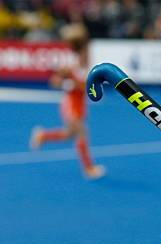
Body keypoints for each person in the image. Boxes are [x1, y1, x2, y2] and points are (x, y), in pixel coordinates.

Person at [29, 24, 105, 179]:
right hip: (71, 101)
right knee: (82, 132)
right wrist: (69, 79)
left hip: (78, 101)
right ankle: (88, 168)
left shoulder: (81, 61)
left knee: (70, 134)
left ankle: (43, 135)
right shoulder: (73, 65)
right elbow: (58, 82)